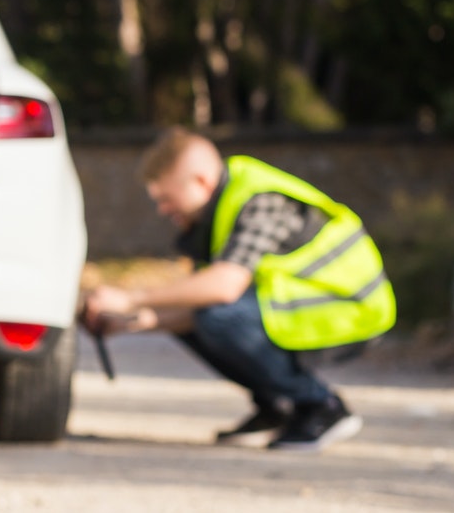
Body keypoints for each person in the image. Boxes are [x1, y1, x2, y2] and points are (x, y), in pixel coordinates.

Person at [82, 128, 395, 451]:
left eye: (167, 198)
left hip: (350, 308)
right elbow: (198, 302)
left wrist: (130, 297)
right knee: (202, 311)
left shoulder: (259, 201)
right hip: (304, 304)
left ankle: (322, 407)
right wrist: (131, 322)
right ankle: (277, 408)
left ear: (201, 182)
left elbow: (223, 288)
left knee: (219, 315)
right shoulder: (219, 211)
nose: (163, 209)